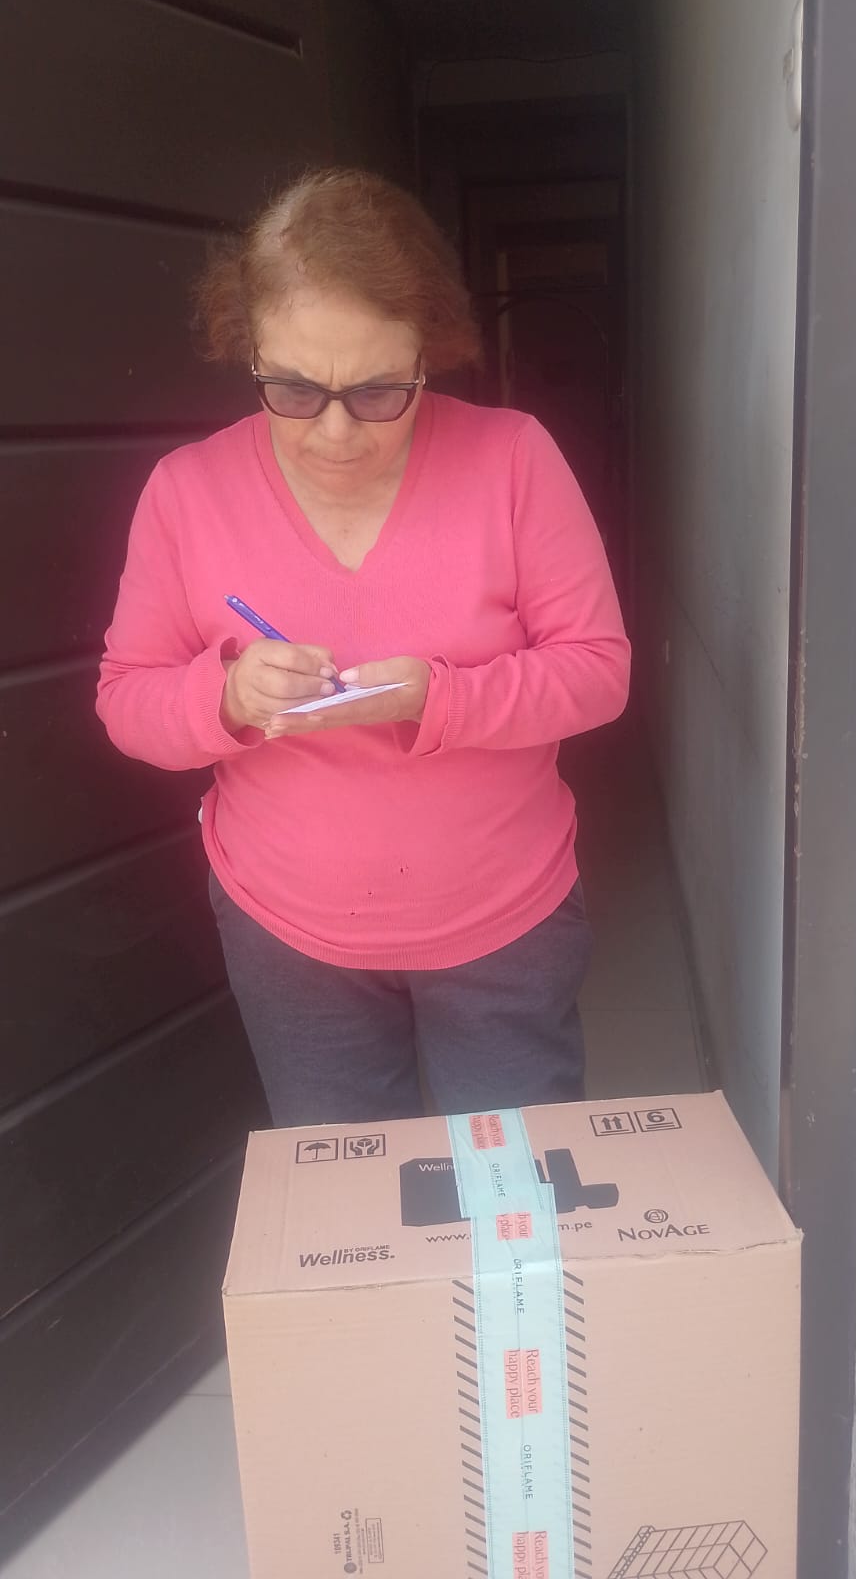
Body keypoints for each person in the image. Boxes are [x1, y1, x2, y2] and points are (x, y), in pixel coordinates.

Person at [96, 168, 630, 1129]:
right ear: (248, 348)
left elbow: (598, 671)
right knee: (347, 1196)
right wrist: (228, 698)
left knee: (512, 1197)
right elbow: (127, 700)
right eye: (293, 389)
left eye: (381, 391)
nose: (336, 432)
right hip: (289, 937)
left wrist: (438, 698)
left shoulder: (513, 459)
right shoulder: (187, 492)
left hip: (502, 922)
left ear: (432, 352)